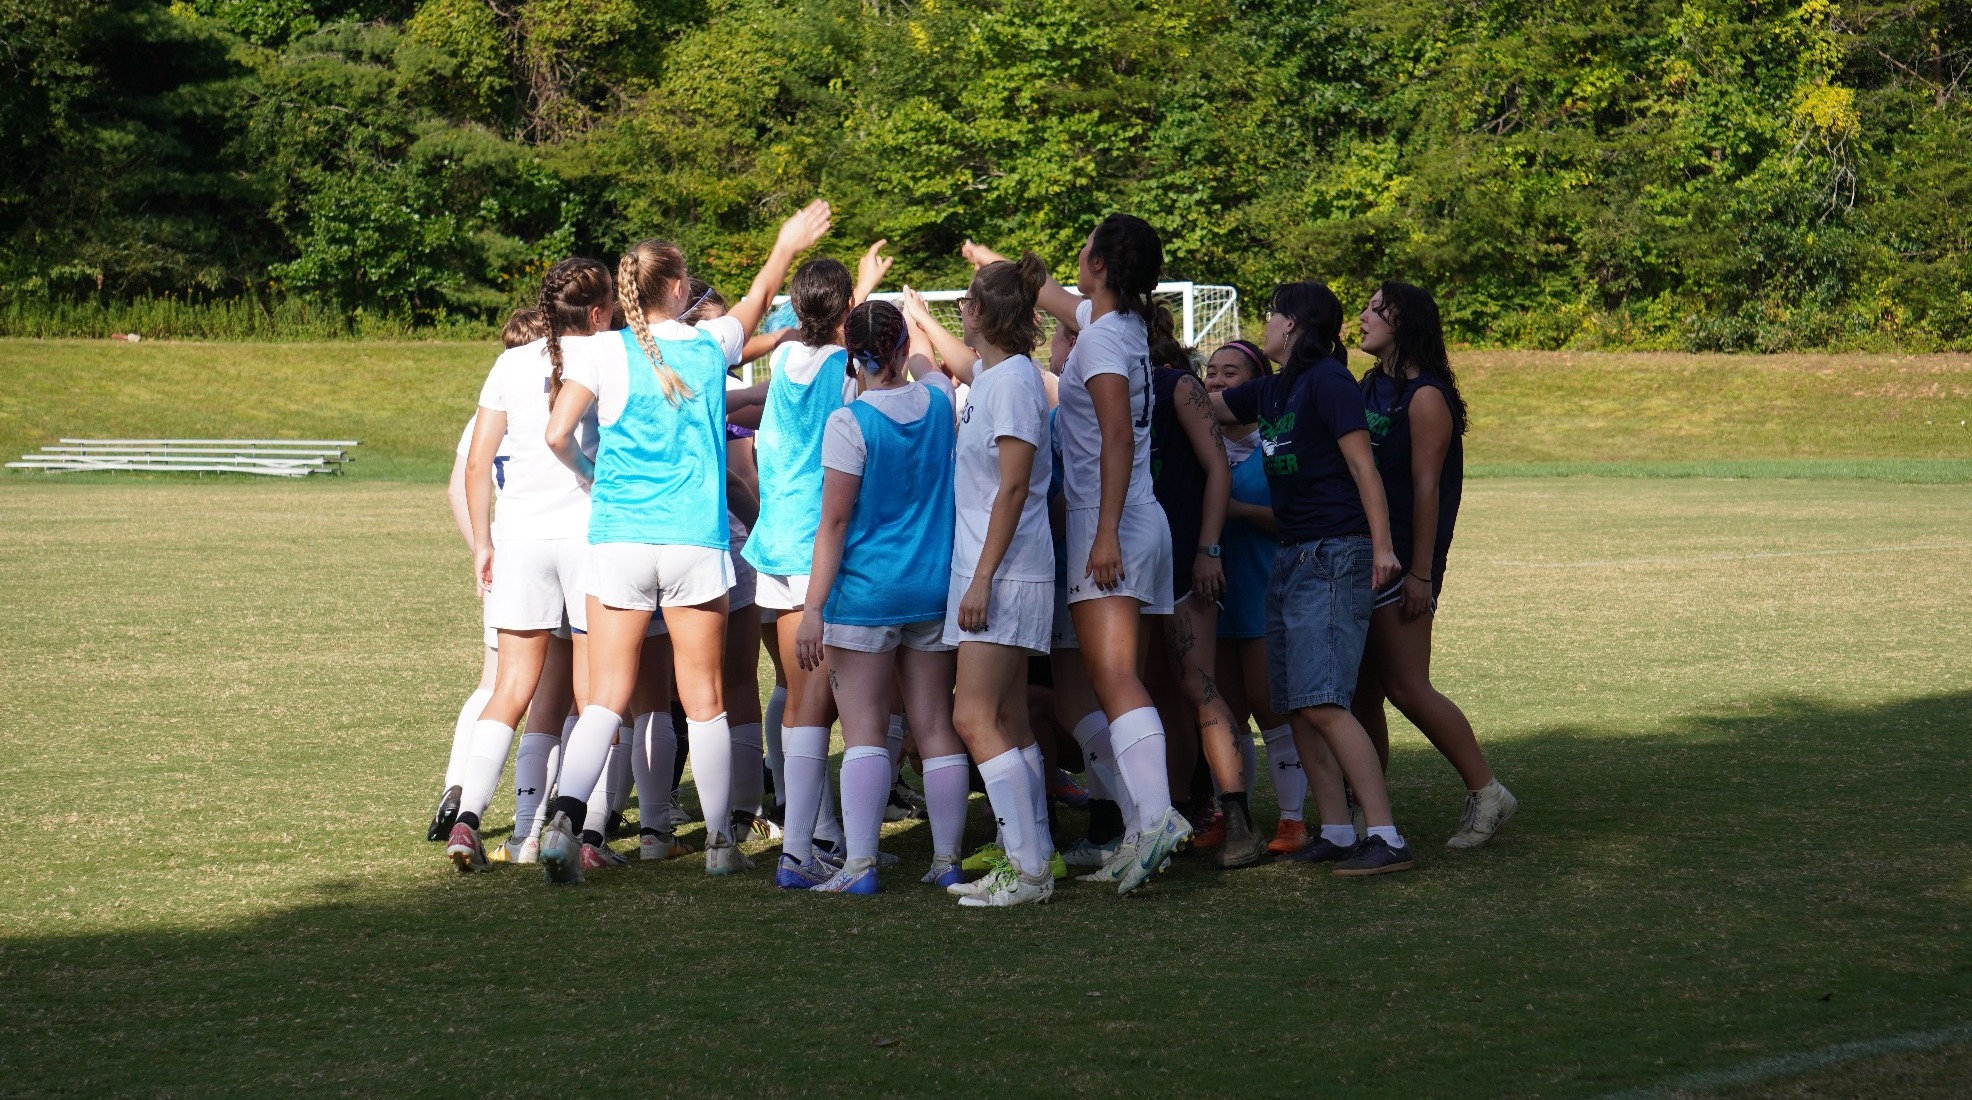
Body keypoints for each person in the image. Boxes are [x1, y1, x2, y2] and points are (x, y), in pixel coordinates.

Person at [541, 201, 833, 884]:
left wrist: (594, 477)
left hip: (618, 541)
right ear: (677, 288)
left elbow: (557, 434)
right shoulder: (709, 346)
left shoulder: (603, 349)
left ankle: (564, 819)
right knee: (705, 698)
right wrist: (786, 244)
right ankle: (720, 844)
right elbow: (761, 298)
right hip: (694, 543)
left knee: (606, 696)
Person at [962, 216, 1190, 897]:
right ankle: (1143, 825)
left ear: (1100, 262)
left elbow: (1116, 437)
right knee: (1120, 681)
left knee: (1114, 678)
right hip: (1140, 522)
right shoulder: (1111, 323)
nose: (1077, 255)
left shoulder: (1100, 343)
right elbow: (1046, 292)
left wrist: (1105, 532)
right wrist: (989, 259)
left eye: (1085, 244)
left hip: (1114, 523)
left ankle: (1155, 819)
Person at [1207, 280, 1416, 877]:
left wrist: (1381, 549)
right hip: (1293, 557)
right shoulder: (1273, 389)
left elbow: (1362, 467)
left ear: (1294, 324)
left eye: (1272, 315)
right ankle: (1339, 832)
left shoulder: (1328, 380)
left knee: (1324, 699)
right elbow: (1211, 408)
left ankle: (1386, 834)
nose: (1266, 324)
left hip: (1335, 553)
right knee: (1297, 704)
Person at [793, 299, 966, 894]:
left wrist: (813, 609)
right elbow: (931, 364)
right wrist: (916, 325)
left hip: (866, 596)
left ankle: (859, 867)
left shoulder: (850, 422)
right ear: (900, 348)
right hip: (933, 588)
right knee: (935, 725)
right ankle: (946, 862)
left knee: (864, 730)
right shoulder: (941, 401)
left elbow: (833, 525)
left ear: (851, 356)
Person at [903, 254, 1059, 908]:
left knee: (972, 715)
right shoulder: (999, 373)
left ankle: (1025, 869)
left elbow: (1015, 486)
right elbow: (967, 369)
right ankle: (1035, 853)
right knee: (1010, 719)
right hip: (992, 569)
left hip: (1004, 572)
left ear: (987, 313)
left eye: (966, 303)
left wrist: (981, 580)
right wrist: (922, 324)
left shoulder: (1017, 382)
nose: (959, 311)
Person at [443, 278, 604, 873]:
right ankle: (584, 836)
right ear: (597, 310)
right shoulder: (606, 352)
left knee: (510, 689)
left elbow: (478, 460)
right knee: (595, 696)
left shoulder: (510, 361)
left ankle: (468, 820)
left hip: (519, 538)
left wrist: (484, 540)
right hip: (587, 535)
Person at [1353, 281, 1515, 848]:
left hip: (1403, 563)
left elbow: (1428, 491)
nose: (1364, 317)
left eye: (1376, 309)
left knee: (1406, 685)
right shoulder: (1370, 385)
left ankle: (1487, 791)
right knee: (1360, 690)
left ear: (1405, 323)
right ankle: (1363, 809)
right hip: (1364, 556)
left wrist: (1421, 573)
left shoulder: (1425, 396)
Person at [745, 247, 888, 887]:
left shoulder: (785, 358)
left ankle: (814, 837)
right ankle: (798, 851)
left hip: (773, 547)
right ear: (846, 312)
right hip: (814, 550)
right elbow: (850, 360)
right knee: (815, 704)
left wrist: (850, 290)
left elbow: (826, 329)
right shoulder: (843, 369)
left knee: (797, 696)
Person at [1143, 314, 1261, 868]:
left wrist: (1208, 548)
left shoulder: (1177, 387)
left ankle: (1237, 816)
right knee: (1160, 692)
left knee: (1197, 683)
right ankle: (1179, 813)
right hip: (1139, 569)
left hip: (1187, 564)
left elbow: (1218, 468)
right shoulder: (1109, 390)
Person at [1203, 339, 1306, 856]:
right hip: (1212, 598)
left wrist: (1236, 510)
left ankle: (1293, 820)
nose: (1217, 381)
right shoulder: (1198, 446)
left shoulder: (1276, 444)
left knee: (1272, 710)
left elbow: (1299, 516)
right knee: (1228, 709)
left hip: (1265, 591)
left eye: (1230, 373)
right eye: (1210, 372)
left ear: (1258, 382)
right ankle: (1233, 814)